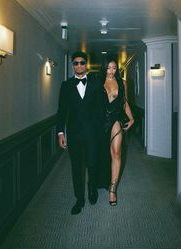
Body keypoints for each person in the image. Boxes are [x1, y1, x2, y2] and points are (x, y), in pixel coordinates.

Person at [57, 51, 101, 215]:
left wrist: (101, 131)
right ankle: (79, 199)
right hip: (74, 133)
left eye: (82, 62)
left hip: (92, 133)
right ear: (73, 65)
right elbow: (61, 111)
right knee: (76, 167)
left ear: (86, 64)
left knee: (92, 163)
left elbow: (100, 110)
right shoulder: (66, 85)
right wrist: (61, 132)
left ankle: (92, 190)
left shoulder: (96, 83)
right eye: (76, 63)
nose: (79, 65)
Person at [98, 55, 134, 206]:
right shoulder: (97, 82)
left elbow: (125, 103)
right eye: (108, 68)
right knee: (100, 154)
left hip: (116, 119)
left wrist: (131, 118)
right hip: (100, 121)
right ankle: (101, 179)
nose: (111, 71)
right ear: (104, 68)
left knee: (116, 152)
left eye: (114, 68)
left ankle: (113, 189)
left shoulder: (122, 83)